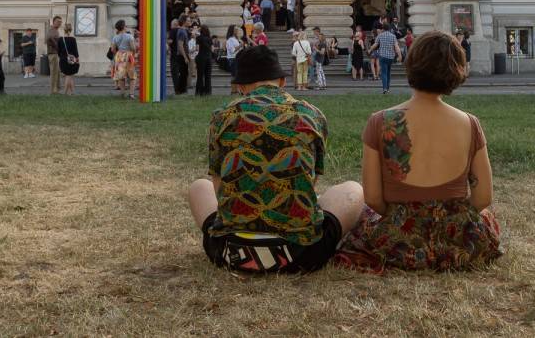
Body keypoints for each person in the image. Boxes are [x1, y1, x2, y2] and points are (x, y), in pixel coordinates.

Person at [334, 31, 501, 273]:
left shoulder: (380, 121)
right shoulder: (470, 123)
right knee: (488, 217)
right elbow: (483, 198)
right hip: (456, 241)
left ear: (411, 65)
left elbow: (372, 199)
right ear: (457, 70)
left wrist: (403, 218)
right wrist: (450, 219)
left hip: (397, 240)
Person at [187, 45, 364, 274]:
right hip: (301, 254)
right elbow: (311, 180)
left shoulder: (222, 116)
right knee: (353, 190)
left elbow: (219, 185)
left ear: (241, 86)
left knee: (198, 187)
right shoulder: (312, 114)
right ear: (282, 81)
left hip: (231, 251)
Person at [111, 20, 138, 99]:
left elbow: (112, 49)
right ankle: (131, 94)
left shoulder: (115, 37)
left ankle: (122, 93)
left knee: (121, 76)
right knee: (132, 76)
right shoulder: (129, 36)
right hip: (128, 56)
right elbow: (133, 47)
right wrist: (133, 53)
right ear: (123, 27)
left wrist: (118, 53)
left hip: (119, 56)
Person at [374, 20, 400, 95]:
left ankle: (385, 88)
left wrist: (370, 50)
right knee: (388, 72)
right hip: (390, 57)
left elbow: (375, 45)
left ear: (383, 28)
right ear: (389, 28)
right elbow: (396, 47)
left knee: (384, 73)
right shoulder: (393, 36)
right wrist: (400, 55)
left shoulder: (380, 35)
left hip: (382, 56)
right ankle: (388, 88)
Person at [58, 25, 80, 96]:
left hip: (63, 59)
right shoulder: (73, 39)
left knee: (68, 76)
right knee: (70, 76)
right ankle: (68, 92)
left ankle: (68, 92)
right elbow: (75, 50)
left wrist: (61, 57)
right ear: (71, 30)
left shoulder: (60, 39)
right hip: (71, 59)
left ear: (64, 30)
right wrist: (77, 58)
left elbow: (58, 51)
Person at [172, 17, 191, 96]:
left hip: (184, 55)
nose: (190, 22)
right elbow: (180, 45)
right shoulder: (181, 32)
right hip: (181, 55)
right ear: (184, 22)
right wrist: (185, 57)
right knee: (183, 73)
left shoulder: (184, 31)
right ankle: (180, 91)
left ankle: (182, 90)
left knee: (185, 73)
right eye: (188, 21)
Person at [194, 25, 214, 97]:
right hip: (208, 58)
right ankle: (208, 92)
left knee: (200, 76)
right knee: (208, 76)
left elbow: (197, 49)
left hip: (201, 57)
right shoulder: (209, 38)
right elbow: (212, 49)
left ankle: (200, 92)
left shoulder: (198, 38)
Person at [45, 16, 62, 95]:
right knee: (54, 72)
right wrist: (56, 46)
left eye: (60, 22)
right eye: (58, 21)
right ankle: (53, 91)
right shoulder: (52, 30)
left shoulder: (56, 30)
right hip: (52, 53)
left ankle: (56, 90)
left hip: (55, 54)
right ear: (54, 22)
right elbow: (48, 39)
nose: (59, 23)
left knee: (57, 72)